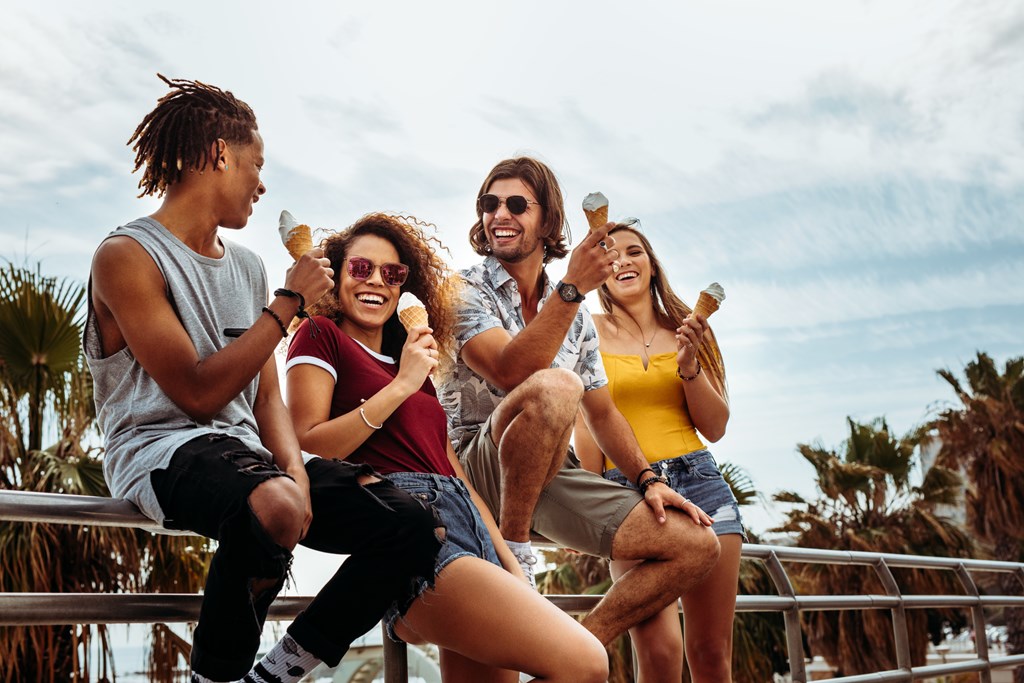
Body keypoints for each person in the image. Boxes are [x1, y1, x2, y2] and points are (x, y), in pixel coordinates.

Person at [84, 75, 439, 683]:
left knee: (413, 524)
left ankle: (281, 670)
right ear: (220, 155)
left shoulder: (247, 267)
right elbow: (196, 393)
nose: (262, 183)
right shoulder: (126, 256)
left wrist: (299, 473)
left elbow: (266, 393)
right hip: (161, 449)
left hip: (253, 458)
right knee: (274, 504)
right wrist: (287, 306)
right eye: (257, 164)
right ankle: (214, 678)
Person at [284, 212, 609, 683]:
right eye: (360, 268)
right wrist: (402, 385)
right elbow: (309, 440)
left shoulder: (408, 358)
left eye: (392, 274)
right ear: (337, 274)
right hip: (412, 534)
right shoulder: (321, 335)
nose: (376, 281)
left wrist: (511, 562)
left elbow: (452, 467)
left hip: (471, 527)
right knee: (586, 662)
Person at [436, 156, 722, 648]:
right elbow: (510, 371)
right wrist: (572, 290)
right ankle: (518, 555)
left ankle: (580, 646)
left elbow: (604, 413)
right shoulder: (461, 289)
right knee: (557, 385)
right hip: (472, 465)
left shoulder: (577, 316)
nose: (498, 214)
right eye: (489, 204)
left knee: (696, 545)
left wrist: (648, 479)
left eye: (516, 204)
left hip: (547, 468)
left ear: (548, 221)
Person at [574, 221, 745, 683]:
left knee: (711, 653)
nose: (624, 260)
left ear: (652, 265)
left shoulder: (691, 331)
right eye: (612, 253)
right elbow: (587, 419)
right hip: (629, 493)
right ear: (601, 269)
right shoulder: (584, 330)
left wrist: (690, 367)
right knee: (659, 652)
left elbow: (716, 427)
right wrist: (592, 505)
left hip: (702, 484)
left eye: (635, 251)